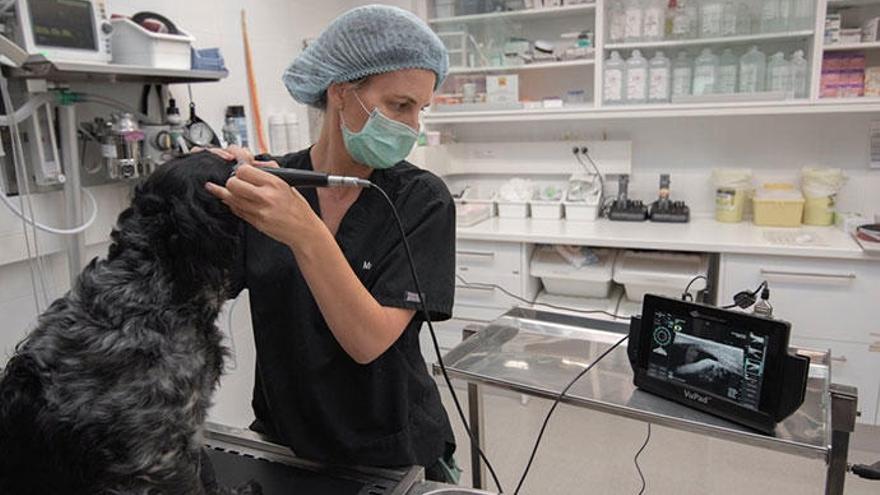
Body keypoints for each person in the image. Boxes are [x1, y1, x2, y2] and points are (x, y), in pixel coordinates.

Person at [204, 4, 461, 484]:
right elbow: (197, 290)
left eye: (419, 110)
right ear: (342, 92)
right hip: (285, 443)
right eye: (400, 105)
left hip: (388, 450)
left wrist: (305, 231)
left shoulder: (421, 200)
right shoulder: (271, 185)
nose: (412, 127)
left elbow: (367, 343)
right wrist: (203, 182)